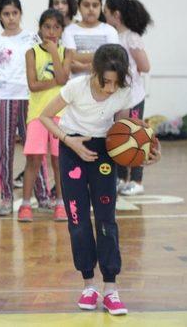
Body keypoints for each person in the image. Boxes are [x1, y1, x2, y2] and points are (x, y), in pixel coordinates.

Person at [39, 44, 161, 316]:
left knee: (106, 221)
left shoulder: (124, 92)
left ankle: (110, 288)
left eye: (115, 84)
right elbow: (45, 117)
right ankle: (88, 285)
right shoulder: (76, 87)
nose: (109, 89)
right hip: (72, 150)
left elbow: (124, 131)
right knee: (78, 222)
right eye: (105, 82)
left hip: (103, 153)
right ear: (94, 71)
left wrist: (147, 150)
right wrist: (69, 141)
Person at [0, 0, 50, 217]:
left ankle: (43, 197)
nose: (11, 18)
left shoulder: (33, 38)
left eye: (14, 13)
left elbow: (44, 66)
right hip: (3, 100)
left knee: (35, 150)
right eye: (6, 14)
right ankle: (6, 197)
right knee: (4, 150)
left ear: (20, 13)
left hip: (31, 99)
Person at [19, 9, 73, 222]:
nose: (51, 31)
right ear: (40, 28)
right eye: (47, 27)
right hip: (38, 114)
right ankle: (25, 205)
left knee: (59, 161)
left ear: (61, 30)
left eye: (56, 27)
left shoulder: (66, 52)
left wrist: (53, 53)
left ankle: (60, 203)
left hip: (61, 114)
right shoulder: (31, 52)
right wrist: (57, 82)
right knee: (33, 160)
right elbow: (33, 85)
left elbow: (64, 77)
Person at [104, 0, 152, 196]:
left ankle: (137, 179)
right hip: (119, 96)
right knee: (120, 135)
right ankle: (121, 177)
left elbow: (144, 65)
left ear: (116, 14)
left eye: (105, 12)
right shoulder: (113, 36)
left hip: (133, 96)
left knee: (136, 136)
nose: (103, 16)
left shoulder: (131, 37)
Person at [62, 0, 122, 78]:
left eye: (95, 5)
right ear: (79, 7)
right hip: (76, 86)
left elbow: (113, 60)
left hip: (104, 84)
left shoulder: (110, 31)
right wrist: (102, 57)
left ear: (101, 7)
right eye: (86, 5)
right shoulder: (69, 30)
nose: (91, 9)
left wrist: (83, 66)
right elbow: (70, 58)